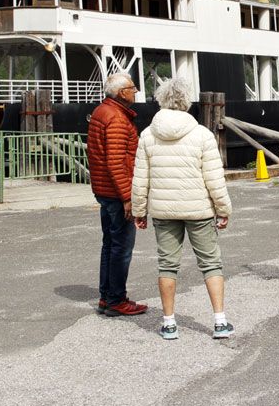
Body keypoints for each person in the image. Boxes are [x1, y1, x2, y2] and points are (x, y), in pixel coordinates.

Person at [132, 77, 234, 340]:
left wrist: (139, 211)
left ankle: (168, 323)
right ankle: (220, 322)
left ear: (161, 100)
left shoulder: (148, 135)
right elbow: (213, 177)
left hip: (164, 212)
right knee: (211, 264)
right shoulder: (202, 134)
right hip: (198, 210)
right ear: (187, 101)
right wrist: (223, 209)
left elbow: (140, 178)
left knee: (167, 266)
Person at [87, 72, 148, 317]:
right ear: (122, 93)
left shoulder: (103, 112)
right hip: (116, 192)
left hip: (105, 190)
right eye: (133, 88)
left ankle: (107, 296)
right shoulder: (117, 119)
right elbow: (115, 161)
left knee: (110, 245)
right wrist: (127, 197)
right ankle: (116, 299)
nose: (136, 92)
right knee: (121, 247)